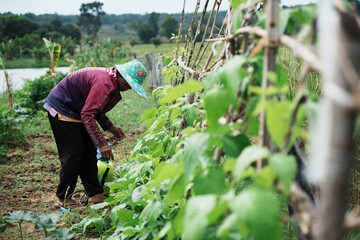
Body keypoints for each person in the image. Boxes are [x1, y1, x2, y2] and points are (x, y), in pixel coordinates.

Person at [43, 59, 148, 206]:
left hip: (77, 110)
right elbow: (88, 114)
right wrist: (102, 143)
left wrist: (110, 127)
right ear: (122, 78)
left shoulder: (110, 81)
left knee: (89, 152)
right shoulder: (104, 84)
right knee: (74, 153)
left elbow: (95, 108)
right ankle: (63, 197)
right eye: (130, 85)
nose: (129, 89)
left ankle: (95, 194)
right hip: (63, 108)